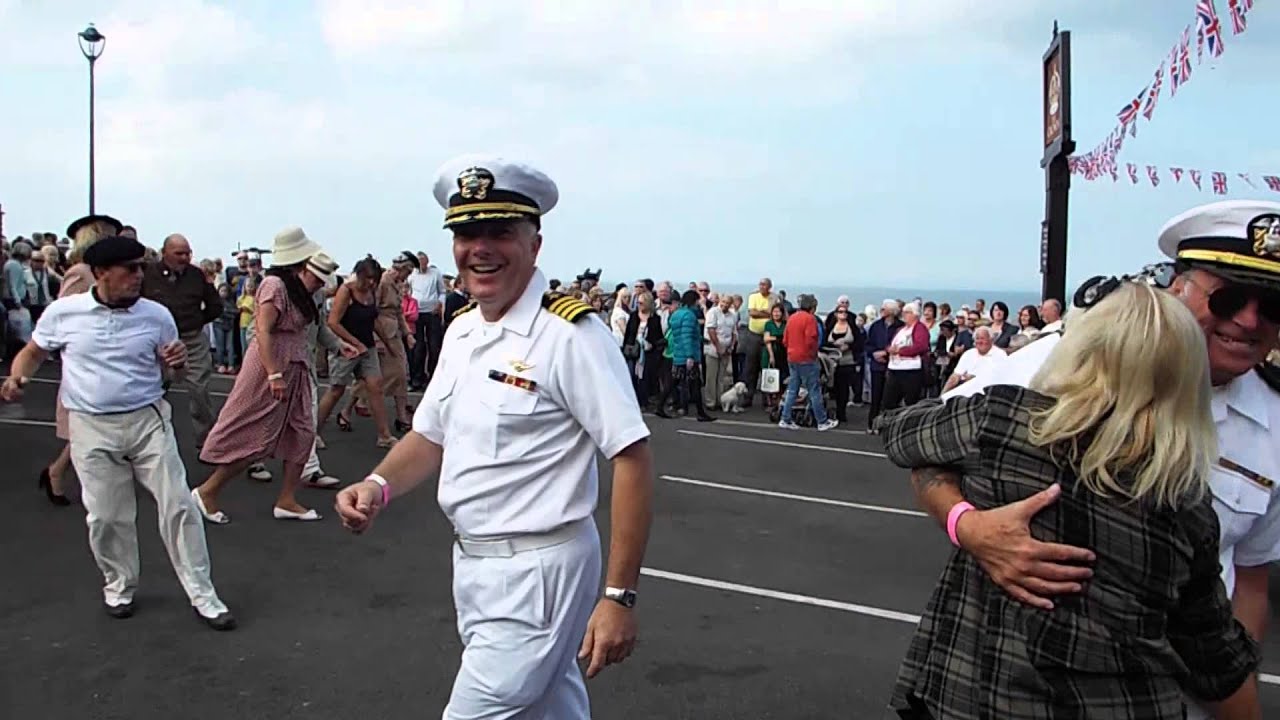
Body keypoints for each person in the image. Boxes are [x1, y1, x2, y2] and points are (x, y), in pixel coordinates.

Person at [903, 200, 1280, 718]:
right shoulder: (1059, 358)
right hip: (1010, 684)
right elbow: (927, 446)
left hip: (1171, 695)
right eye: (1229, 298)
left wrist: (1235, 688)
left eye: (1274, 305)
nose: (1249, 320)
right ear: (1178, 289)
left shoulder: (1274, 419)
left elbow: (1252, 576)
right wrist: (967, 525)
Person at [335, 156, 654, 719]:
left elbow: (631, 456)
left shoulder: (570, 335)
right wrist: (377, 485)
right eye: (466, 234)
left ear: (535, 244)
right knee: (549, 707)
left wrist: (618, 597)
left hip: (538, 573)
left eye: (500, 232)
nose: (480, 248)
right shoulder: (463, 329)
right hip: (476, 564)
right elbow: (430, 434)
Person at [1, 234, 235, 630]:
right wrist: (16, 377)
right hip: (91, 425)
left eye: (141, 267)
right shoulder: (65, 313)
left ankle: (203, 593)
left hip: (147, 420)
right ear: (101, 273)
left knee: (179, 504)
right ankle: (119, 585)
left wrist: (176, 362)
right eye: (129, 269)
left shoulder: (156, 316)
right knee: (107, 517)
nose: (138, 275)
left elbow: (175, 372)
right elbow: (34, 352)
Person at [193, 228, 347, 523]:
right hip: (271, 364)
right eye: (317, 278)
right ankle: (208, 491)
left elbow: (316, 327)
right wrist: (274, 373)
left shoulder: (300, 291)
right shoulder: (275, 285)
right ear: (301, 266)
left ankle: (287, 499)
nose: (319, 284)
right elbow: (263, 330)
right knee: (256, 433)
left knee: (303, 432)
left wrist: (339, 346)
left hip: (295, 364)